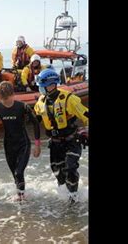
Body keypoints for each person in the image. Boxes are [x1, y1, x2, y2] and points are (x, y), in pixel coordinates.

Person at [33, 69, 89, 204]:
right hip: (55, 142)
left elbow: (86, 115)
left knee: (70, 167)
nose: (40, 88)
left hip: (71, 140)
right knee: (57, 169)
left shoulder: (69, 99)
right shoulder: (41, 101)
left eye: (42, 85)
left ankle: (74, 197)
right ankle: (65, 194)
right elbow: (36, 121)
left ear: (51, 84)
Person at [0, 81, 41, 201]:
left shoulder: (22, 106)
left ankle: (21, 198)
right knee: (15, 174)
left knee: (18, 172)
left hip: (23, 143)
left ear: (13, 95)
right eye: (3, 100)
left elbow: (36, 123)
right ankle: (21, 196)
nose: (6, 102)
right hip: (8, 145)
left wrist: (37, 145)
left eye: (8, 99)